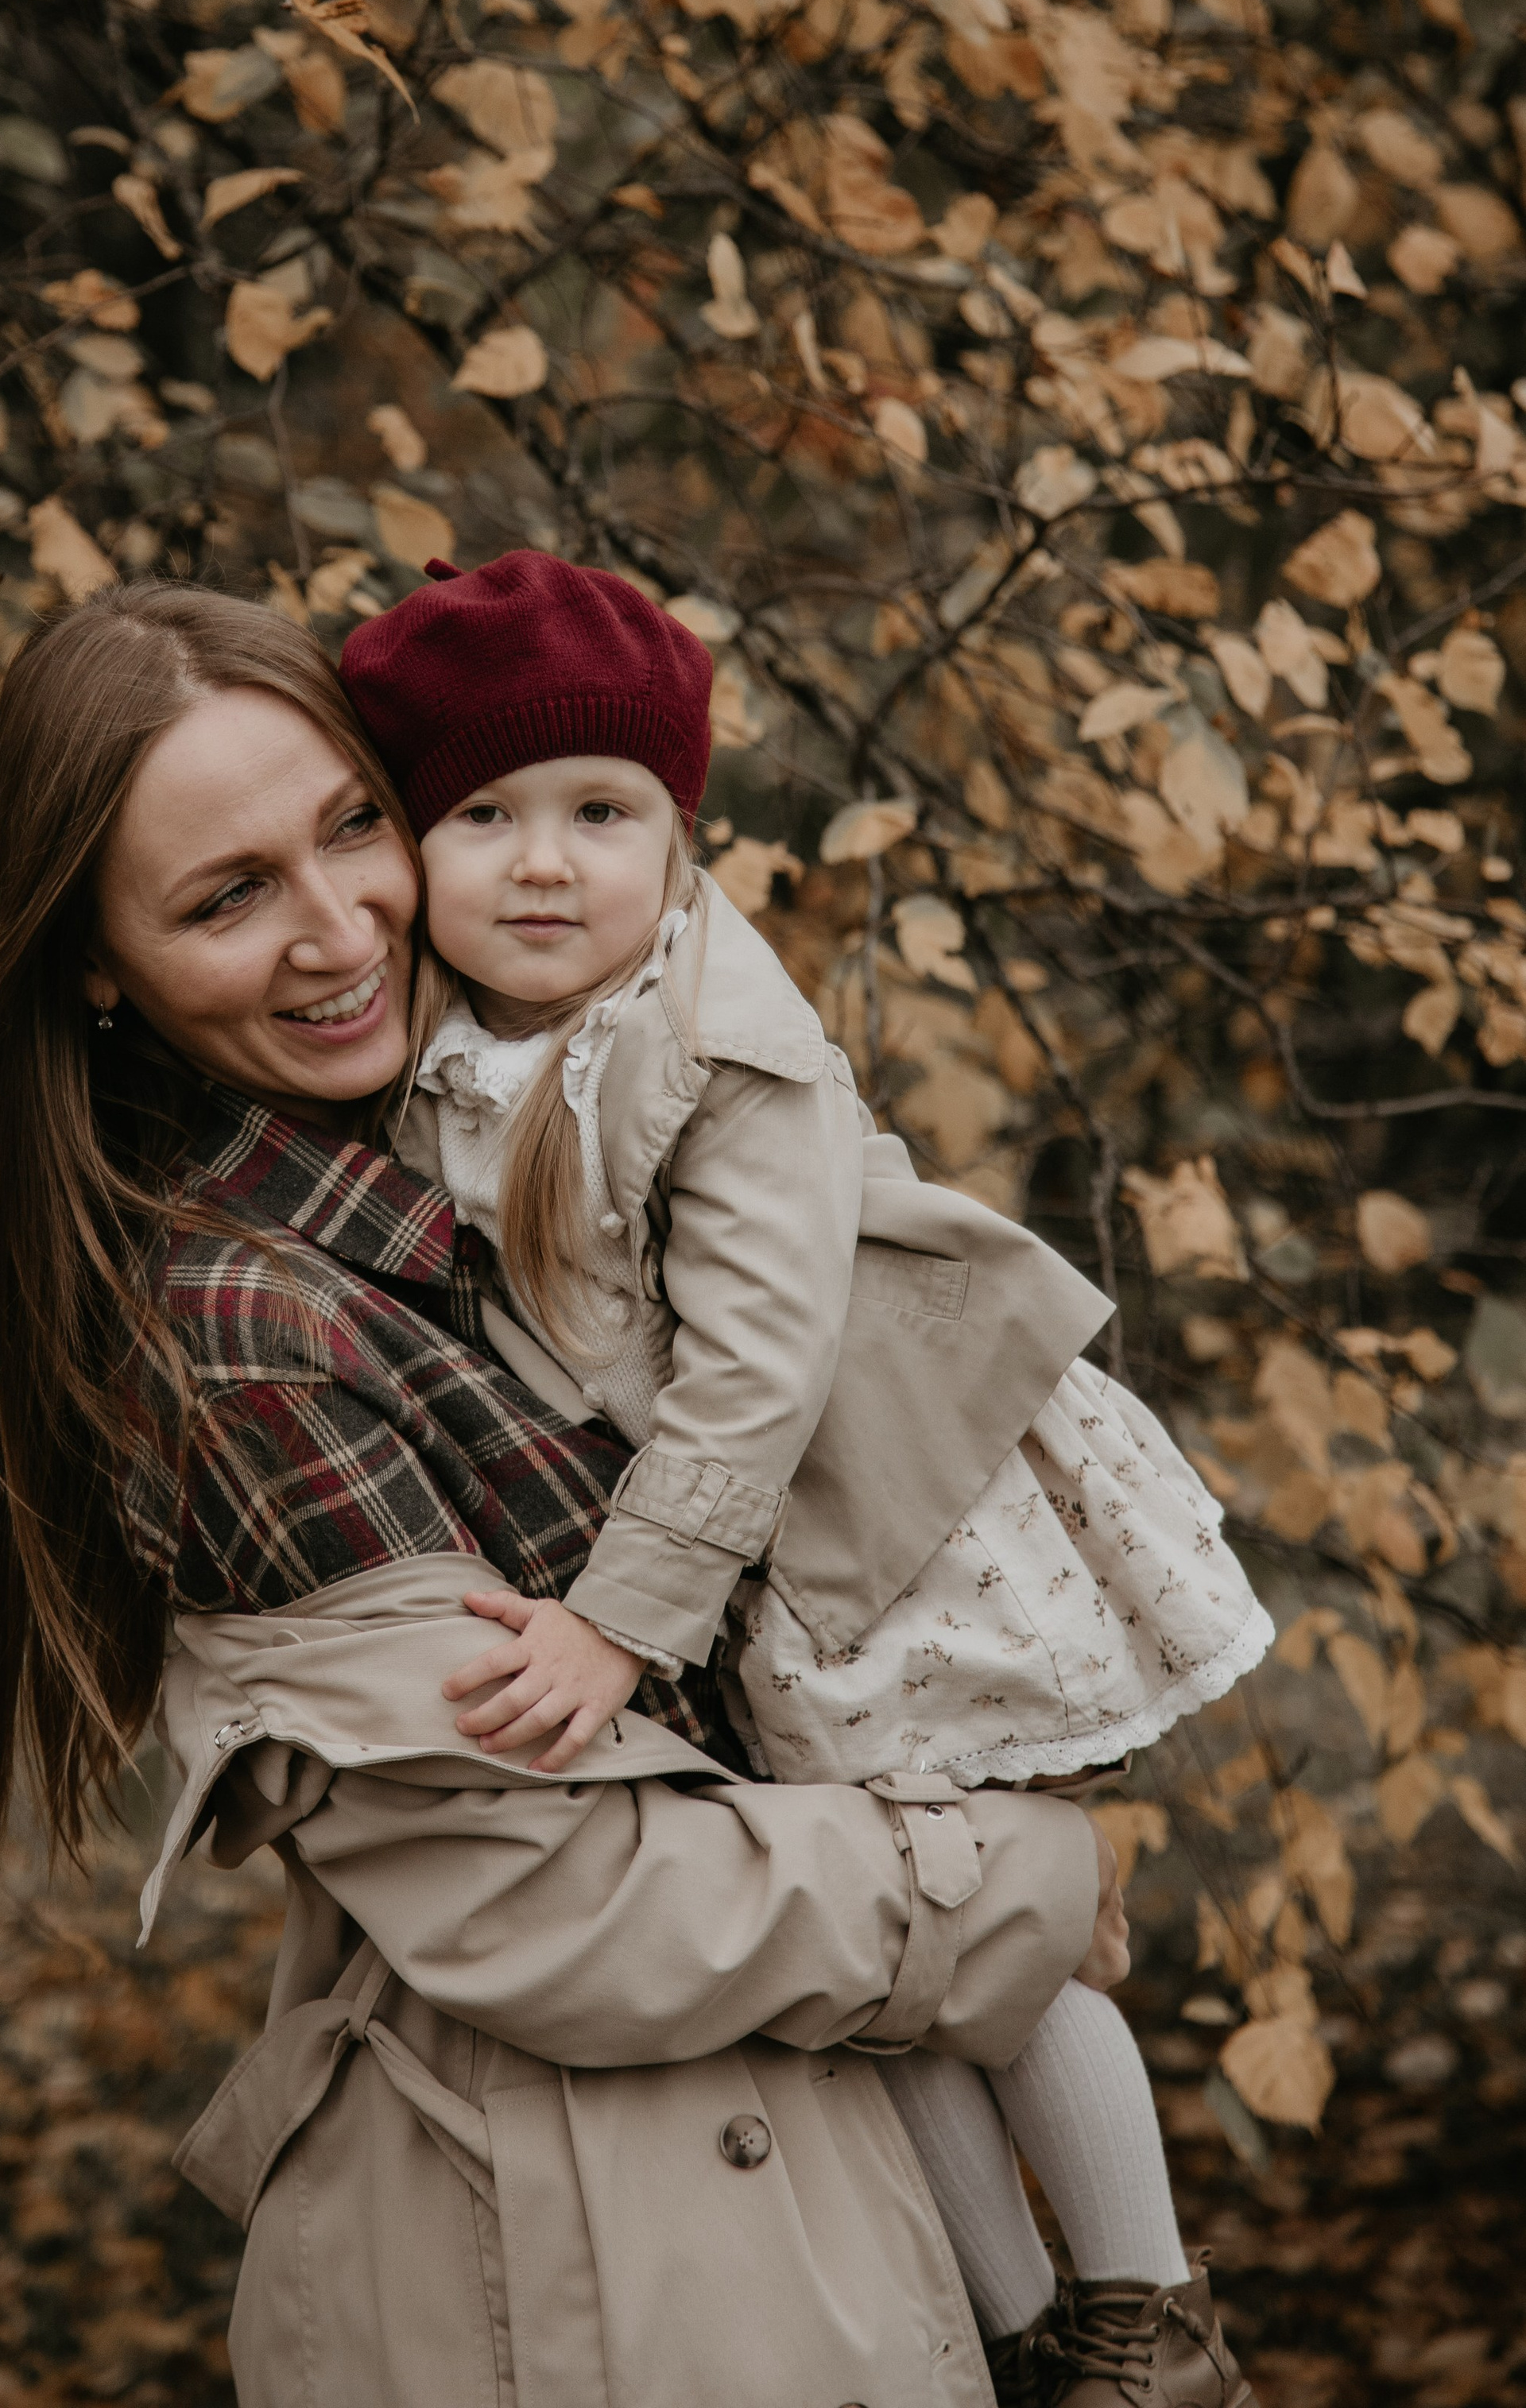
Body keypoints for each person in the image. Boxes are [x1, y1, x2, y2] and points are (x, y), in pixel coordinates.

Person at [0, 579, 1127, 2408]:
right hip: (584, 2286)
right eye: (226, 899)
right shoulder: (246, 1338)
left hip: (736, 2192)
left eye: (352, 829)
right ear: (95, 962)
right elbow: (552, 1900)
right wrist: (1028, 1874)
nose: (337, 932)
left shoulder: (468, 1151)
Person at [341, 548, 1271, 2408]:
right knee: (882, 1968)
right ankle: (1027, 2340)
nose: (542, 863)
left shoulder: (716, 1042)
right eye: (483, 817)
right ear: (410, 850)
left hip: (895, 1521)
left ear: (678, 832)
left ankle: (1149, 2316)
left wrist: (617, 1625)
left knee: (990, 1934)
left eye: (599, 812)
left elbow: (758, 1375)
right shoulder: (459, 1051)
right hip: (767, 1557)